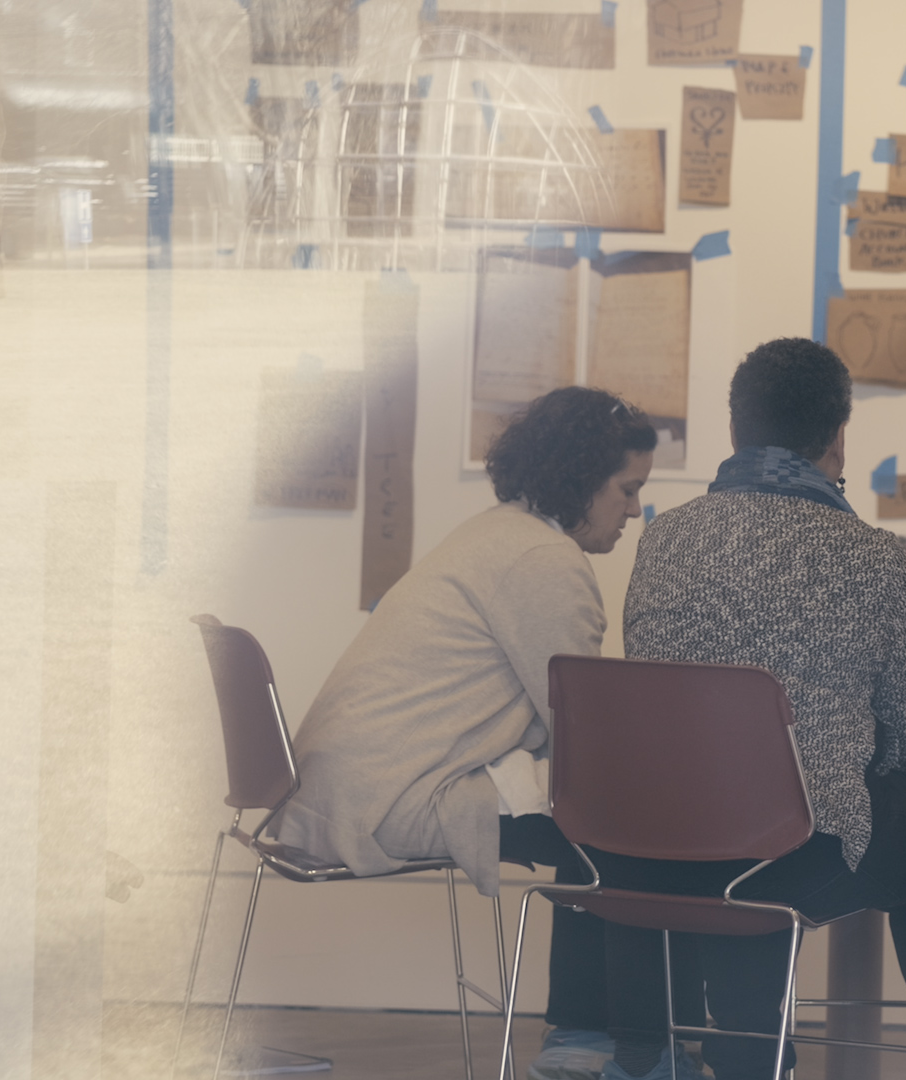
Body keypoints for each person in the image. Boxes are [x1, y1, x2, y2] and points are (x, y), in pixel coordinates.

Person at [597, 338, 906, 1080]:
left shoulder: (662, 539)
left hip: (663, 848)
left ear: (734, 432)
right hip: (798, 853)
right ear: (838, 436)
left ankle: (752, 1056)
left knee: (741, 819)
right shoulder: (871, 555)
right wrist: (850, 762)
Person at [273, 386, 658, 1080]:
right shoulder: (543, 560)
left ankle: (586, 1036)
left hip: (351, 784)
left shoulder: (496, 531)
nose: (634, 509)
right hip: (391, 799)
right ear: (581, 480)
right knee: (621, 825)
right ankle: (607, 1046)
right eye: (627, 490)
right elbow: (585, 730)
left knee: (598, 818)